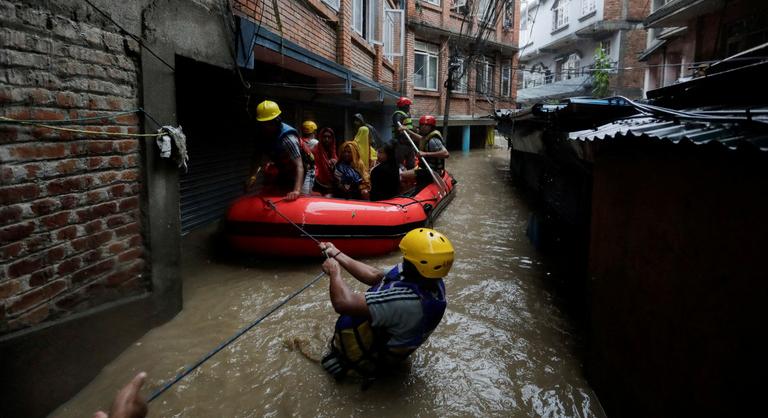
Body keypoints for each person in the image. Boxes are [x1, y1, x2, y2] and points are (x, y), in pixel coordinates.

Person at [318, 228, 453, 380]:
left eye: (407, 258)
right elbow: (374, 275)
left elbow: (343, 303)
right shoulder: (428, 279)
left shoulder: (406, 302)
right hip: (384, 344)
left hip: (363, 359)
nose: (403, 260)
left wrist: (335, 271)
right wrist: (336, 253)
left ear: (416, 265)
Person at [248, 100, 314, 201]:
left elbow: (299, 166)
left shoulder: (288, 138)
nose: (266, 127)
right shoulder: (262, 135)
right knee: (278, 192)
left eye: (269, 123)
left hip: (305, 166)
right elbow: (257, 156)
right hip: (286, 167)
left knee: (300, 198)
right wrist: (252, 176)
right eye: (264, 123)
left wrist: (296, 191)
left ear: (277, 121)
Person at [391, 97, 419, 169]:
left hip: (408, 142)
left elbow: (408, 126)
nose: (409, 107)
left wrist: (414, 129)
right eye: (408, 106)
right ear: (404, 106)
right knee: (399, 164)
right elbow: (399, 127)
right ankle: (399, 176)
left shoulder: (406, 115)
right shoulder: (398, 115)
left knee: (411, 162)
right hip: (401, 142)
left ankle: (410, 175)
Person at [313, 127, 338, 197]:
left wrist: (335, 164)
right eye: (324, 137)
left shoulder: (333, 151)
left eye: (329, 137)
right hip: (317, 185)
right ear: (321, 138)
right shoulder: (315, 150)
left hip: (331, 185)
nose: (327, 139)